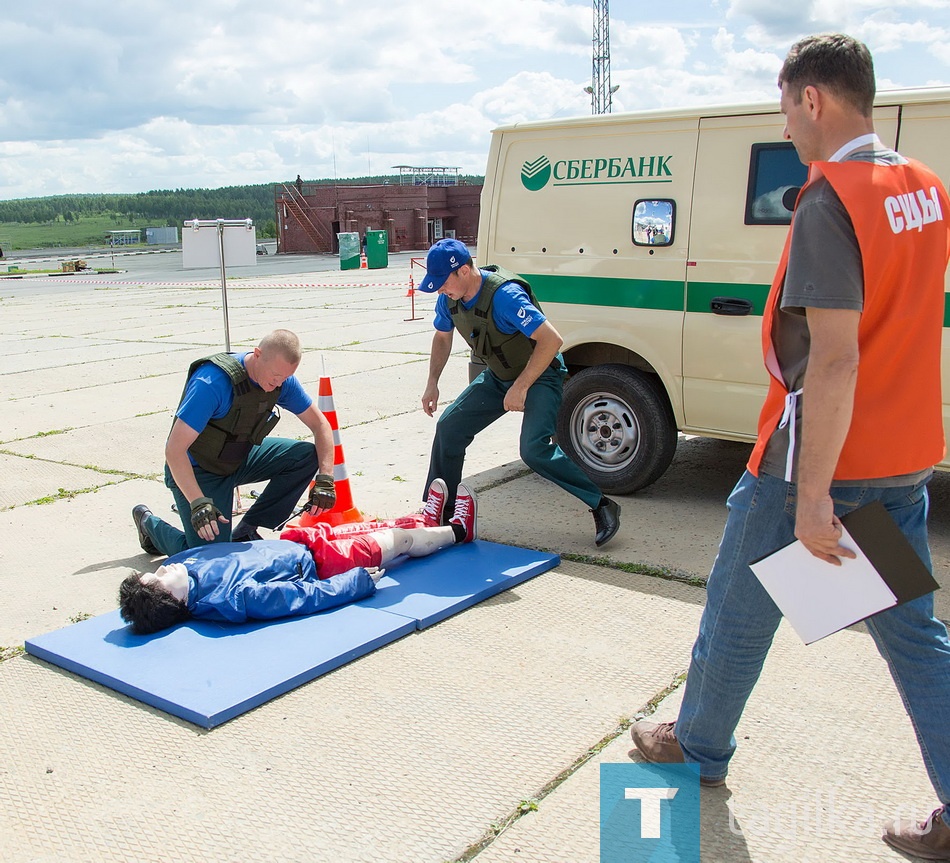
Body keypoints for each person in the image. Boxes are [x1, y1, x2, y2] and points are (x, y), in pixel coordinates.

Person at [627, 34, 950, 859]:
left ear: (813, 99)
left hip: (821, 462)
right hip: (903, 450)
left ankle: (694, 746)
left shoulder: (830, 197)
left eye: (785, 109)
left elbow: (835, 356)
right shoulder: (921, 187)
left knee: (739, 606)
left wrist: (812, 499)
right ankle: (699, 737)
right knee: (914, 638)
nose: (788, 128)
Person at [417, 238, 621, 547]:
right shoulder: (449, 299)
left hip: (540, 375)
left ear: (463, 270)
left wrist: (522, 387)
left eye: (443, 282)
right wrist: (432, 382)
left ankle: (602, 505)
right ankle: (442, 512)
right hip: (500, 375)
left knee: (534, 450)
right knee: (450, 427)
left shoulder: (504, 296)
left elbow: (551, 340)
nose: (440, 290)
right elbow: (442, 337)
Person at [119, 482, 477, 634]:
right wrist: (354, 583)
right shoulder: (232, 598)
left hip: (300, 542)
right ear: (170, 598)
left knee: (372, 527)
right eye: (158, 577)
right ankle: (458, 531)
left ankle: (426, 520)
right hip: (323, 564)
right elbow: (301, 598)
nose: (163, 566)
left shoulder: (189, 565)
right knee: (396, 542)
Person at [132, 329, 338, 557]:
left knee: (305, 456)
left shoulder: (281, 380)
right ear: (257, 354)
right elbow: (174, 450)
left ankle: (246, 529)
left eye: (286, 377)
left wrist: (326, 478)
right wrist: (198, 503)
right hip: (199, 470)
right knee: (209, 557)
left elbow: (321, 425)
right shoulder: (212, 383)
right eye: (275, 375)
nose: (278, 383)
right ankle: (150, 525)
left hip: (238, 458)